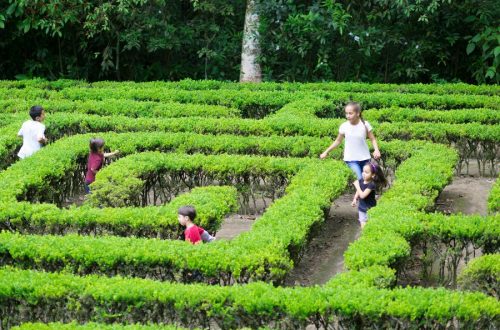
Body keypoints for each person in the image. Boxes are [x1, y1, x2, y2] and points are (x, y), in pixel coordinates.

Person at [320, 102, 381, 180]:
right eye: (346, 113)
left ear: (358, 113)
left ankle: (362, 192)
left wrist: (376, 150)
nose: (347, 116)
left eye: (350, 113)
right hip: (351, 159)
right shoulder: (344, 126)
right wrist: (326, 152)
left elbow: (372, 139)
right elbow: (338, 141)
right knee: (359, 179)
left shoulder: (365, 124)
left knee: (366, 181)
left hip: (365, 158)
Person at [351, 162, 387, 228]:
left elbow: (362, 195)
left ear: (373, 175)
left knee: (371, 226)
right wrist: (355, 199)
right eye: (363, 171)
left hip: (370, 209)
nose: (363, 174)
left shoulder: (372, 184)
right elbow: (358, 191)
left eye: (366, 172)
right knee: (363, 226)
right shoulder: (361, 180)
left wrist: (357, 185)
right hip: (361, 209)